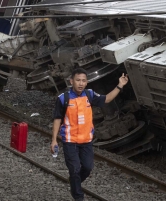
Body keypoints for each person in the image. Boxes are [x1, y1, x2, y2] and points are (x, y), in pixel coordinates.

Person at [51, 68, 129, 201]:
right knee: (74, 169)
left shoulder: (90, 95)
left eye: (83, 81)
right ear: (71, 81)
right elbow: (57, 119)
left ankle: (74, 183)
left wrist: (120, 85)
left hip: (86, 141)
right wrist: (54, 140)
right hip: (70, 141)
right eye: (77, 80)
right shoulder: (63, 98)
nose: (80, 83)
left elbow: (107, 99)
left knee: (87, 168)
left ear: (86, 82)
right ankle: (78, 197)